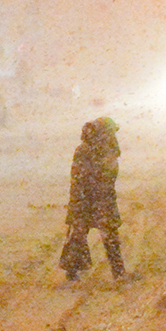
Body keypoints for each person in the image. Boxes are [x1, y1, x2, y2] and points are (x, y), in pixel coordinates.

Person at [59, 117, 129, 282]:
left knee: (79, 234)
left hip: (84, 198)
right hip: (97, 198)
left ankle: (72, 273)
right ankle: (118, 272)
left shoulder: (86, 149)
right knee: (106, 235)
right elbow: (102, 176)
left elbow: (78, 178)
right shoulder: (104, 150)